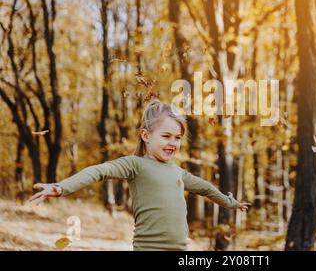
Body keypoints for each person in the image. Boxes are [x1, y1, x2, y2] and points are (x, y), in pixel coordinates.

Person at [28, 100, 250, 251]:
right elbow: (99, 171)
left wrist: (231, 203)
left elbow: (207, 189)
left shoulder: (178, 172)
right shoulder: (135, 165)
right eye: (166, 136)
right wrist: (61, 187)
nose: (173, 143)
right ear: (145, 135)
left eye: (177, 137)